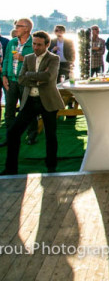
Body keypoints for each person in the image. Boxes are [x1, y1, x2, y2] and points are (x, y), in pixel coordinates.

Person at [1, 31, 65, 175]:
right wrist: (36, 78)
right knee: (13, 132)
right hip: (30, 100)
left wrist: (29, 75)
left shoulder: (53, 58)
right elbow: (21, 79)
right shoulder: (28, 58)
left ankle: (51, 167)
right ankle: (10, 168)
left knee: (50, 135)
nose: (35, 47)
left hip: (48, 101)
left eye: (39, 45)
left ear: (47, 45)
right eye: (34, 44)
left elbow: (49, 77)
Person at [1, 18, 38, 146]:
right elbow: (6, 59)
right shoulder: (12, 42)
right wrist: (4, 75)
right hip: (11, 80)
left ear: (27, 29)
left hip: (26, 81)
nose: (15, 28)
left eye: (18, 26)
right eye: (16, 26)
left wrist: (22, 58)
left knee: (28, 109)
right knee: (9, 111)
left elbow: (38, 62)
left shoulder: (35, 43)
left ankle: (32, 135)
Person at [0, 32, 9, 126]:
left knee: (8, 97)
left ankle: (8, 120)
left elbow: (8, 58)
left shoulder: (6, 42)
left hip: (5, 73)